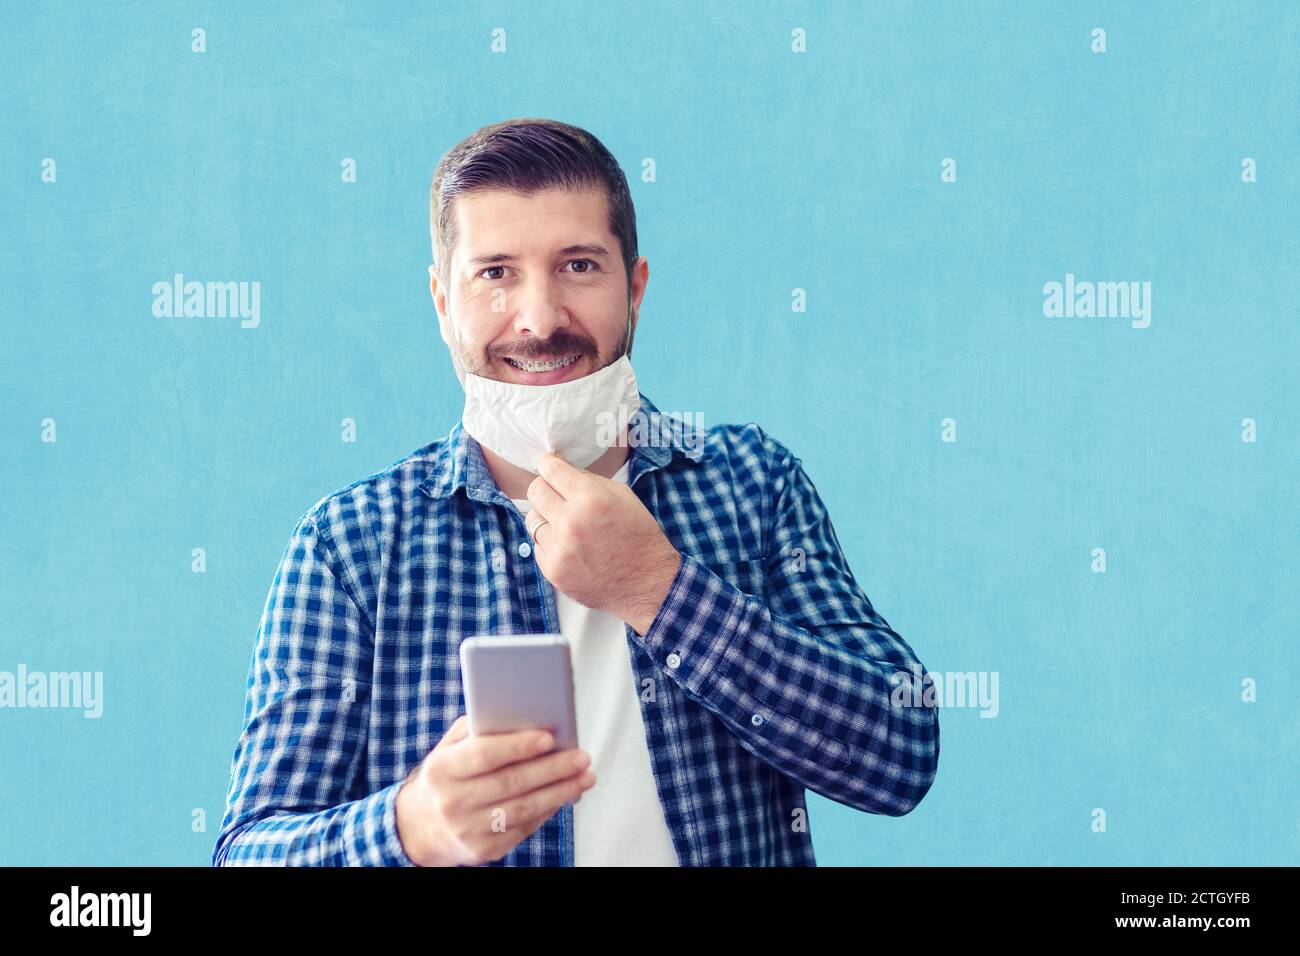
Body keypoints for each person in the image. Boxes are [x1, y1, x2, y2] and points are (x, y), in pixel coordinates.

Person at [212, 118, 939, 867]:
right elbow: (246, 852)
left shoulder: (754, 483)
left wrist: (658, 589)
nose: (540, 319)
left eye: (579, 266)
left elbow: (901, 754)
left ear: (635, 286)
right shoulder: (351, 545)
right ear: (441, 300)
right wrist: (409, 829)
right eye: (495, 273)